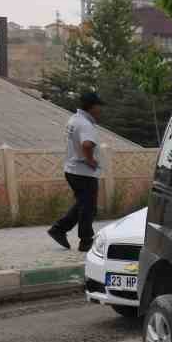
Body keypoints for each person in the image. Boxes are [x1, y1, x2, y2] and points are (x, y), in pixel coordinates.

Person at [49, 91, 105, 251]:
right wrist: (91, 161)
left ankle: (59, 229)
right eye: (99, 106)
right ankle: (85, 240)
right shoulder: (86, 124)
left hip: (73, 169)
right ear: (92, 107)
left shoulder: (74, 120)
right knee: (88, 207)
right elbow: (87, 145)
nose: (100, 110)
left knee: (83, 204)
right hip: (83, 172)